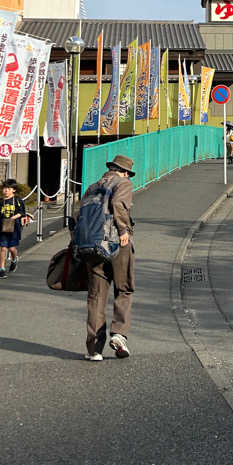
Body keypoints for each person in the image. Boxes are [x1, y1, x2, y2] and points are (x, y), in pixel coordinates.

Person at [83, 154, 135, 362]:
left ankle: (94, 349)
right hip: (116, 243)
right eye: (128, 174)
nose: (129, 178)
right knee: (124, 288)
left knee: (96, 296)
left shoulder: (92, 187)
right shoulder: (122, 183)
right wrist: (123, 230)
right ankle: (119, 334)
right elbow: (119, 204)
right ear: (123, 172)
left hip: (92, 246)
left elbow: (78, 218)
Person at [0, 179, 27, 278]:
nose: (6, 190)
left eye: (8, 189)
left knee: (12, 248)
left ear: (13, 190)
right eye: (4, 188)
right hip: (2, 227)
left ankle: (14, 259)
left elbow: (22, 212)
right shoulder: (0, 202)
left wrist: (13, 218)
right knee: (3, 248)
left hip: (14, 227)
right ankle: (2, 269)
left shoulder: (18, 200)